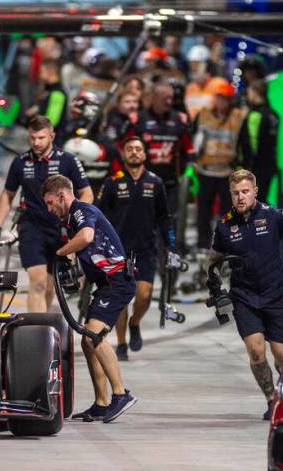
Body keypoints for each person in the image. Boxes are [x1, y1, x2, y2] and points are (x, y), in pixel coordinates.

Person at [206, 169, 283, 419]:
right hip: (244, 297)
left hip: (275, 293)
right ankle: (272, 400)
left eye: (245, 192)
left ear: (255, 192)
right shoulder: (224, 226)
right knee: (255, 351)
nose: (240, 197)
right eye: (235, 193)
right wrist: (215, 286)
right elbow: (213, 262)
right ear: (230, 195)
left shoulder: (273, 215)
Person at [42, 175, 138, 423]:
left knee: (94, 336)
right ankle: (101, 402)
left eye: (51, 203)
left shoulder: (81, 211)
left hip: (118, 283)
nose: (50, 209)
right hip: (105, 285)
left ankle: (121, 394)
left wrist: (60, 253)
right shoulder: (71, 220)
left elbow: (86, 237)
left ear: (62, 196)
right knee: (87, 342)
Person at [0, 116, 92, 312]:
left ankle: (43, 330)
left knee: (49, 285)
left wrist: (76, 219)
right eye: (32, 138)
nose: (36, 143)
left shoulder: (68, 161)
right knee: (37, 281)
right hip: (31, 227)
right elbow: (7, 194)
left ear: (52, 136)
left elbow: (86, 193)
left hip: (60, 229)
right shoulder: (20, 162)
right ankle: (36, 333)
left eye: (41, 138)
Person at [96, 137, 177, 360]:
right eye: (129, 149)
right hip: (117, 251)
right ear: (123, 154)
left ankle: (135, 322)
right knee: (121, 300)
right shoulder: (112, 181)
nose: (134, 152)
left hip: (146, 249)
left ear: (144, 154)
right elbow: (96, 215)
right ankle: (121, 344)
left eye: (138, 149)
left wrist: (171, 245)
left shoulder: (155, 182)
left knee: (144, 295)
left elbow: (165, 218)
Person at [125, 80, 194, 249]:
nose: (169, 102)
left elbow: (189, 149)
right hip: (143, 181)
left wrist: (190, 172)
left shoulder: (179, 119)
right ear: (153, 98)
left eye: (171, 98)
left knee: (170, 219)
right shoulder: (138, 120)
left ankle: (170, 255)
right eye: (165, 98)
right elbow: (124, 148)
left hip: (171, 183)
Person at [194, 80, 247, 251]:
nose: (221, 102)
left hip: (227, 171)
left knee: (227, 211)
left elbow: (243, 142)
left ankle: (225, 241)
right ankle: (203, 244)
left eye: (225, 98)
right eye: (219, 98)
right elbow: (194, 138)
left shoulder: (238, 116)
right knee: (203, 210)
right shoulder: (203, 114)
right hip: (205, 170)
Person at [237, 80, 279, 194]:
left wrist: (244, 166)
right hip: (270, 166)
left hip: (256, 169)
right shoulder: (274, 114)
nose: (248, 95)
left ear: (255, 93)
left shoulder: (255, 115)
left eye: (249, 92)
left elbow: (250, 143)